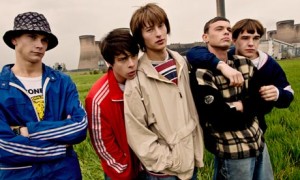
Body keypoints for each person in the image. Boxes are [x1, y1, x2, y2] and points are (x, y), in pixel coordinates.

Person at [187, 18, 294, 179]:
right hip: (231, 148)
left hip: (257, 138)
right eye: (219, 29)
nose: (251, 43)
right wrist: (222, 67)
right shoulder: (203, 69)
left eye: (228, 30)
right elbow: (218, 116)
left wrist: (275, 94)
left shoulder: (251, 64)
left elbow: (265, 103)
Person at [0, 12, 87, 179]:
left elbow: (79, 126)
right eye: (32, 37)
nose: (40, 45)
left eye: (44, 39)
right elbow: (3, 146)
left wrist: (25, 131)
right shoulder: (1, 88)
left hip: (64, 174)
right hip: (19, 175)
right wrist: (61, 148)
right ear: (14, 39)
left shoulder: (62, 82)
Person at [124, 3, 204, 180]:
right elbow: (137, 132)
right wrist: (168, 160)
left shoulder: (181, 63)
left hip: (190, 160)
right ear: (140, 37)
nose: (159, 34)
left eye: (161, 26)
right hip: (163, 172)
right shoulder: (137, 79)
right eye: (150, 30)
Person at [85, 28, 145, 180]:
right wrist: (123, 168)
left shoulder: (144, 83)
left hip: (150, 167)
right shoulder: (98, 98)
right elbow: (102, 144)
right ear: (109, 62)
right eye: (123, 59)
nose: (131, 64)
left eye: (134, 56)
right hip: (121, 173)